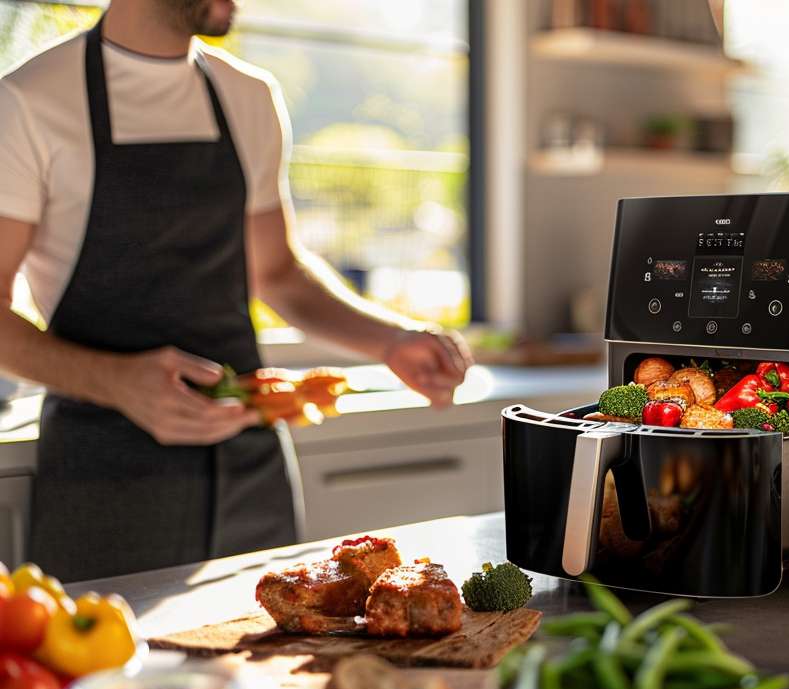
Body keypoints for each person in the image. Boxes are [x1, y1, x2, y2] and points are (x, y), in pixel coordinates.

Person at [0, 0, 472, 581]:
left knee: (267, 661)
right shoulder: (30, 100)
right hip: (105, 477)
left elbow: (276, 274)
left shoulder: (247, 95)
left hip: (249, 464)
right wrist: (117, 382)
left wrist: (391, 339)